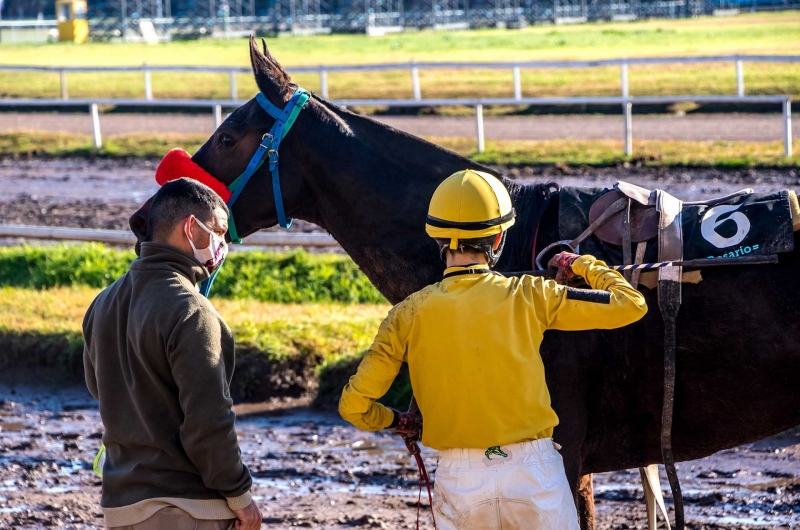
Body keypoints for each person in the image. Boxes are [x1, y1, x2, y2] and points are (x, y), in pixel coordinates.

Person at [338, 169, 648, 529]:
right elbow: (630, 304)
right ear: (498, 237)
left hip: (459, 480)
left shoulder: (407, 313)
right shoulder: (530, 294)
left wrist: (398, 421)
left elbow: (354, 407)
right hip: (534, 475)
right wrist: (577, 262)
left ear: (438, 238)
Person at [83, 178, 262, 530]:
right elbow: (209, 421)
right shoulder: (193, 311)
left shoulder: (101, 303)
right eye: (219, 232)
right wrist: (241, 497)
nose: (223, 245)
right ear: (191, 228)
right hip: (186, 509)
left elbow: (99, 389)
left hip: (121, 508)